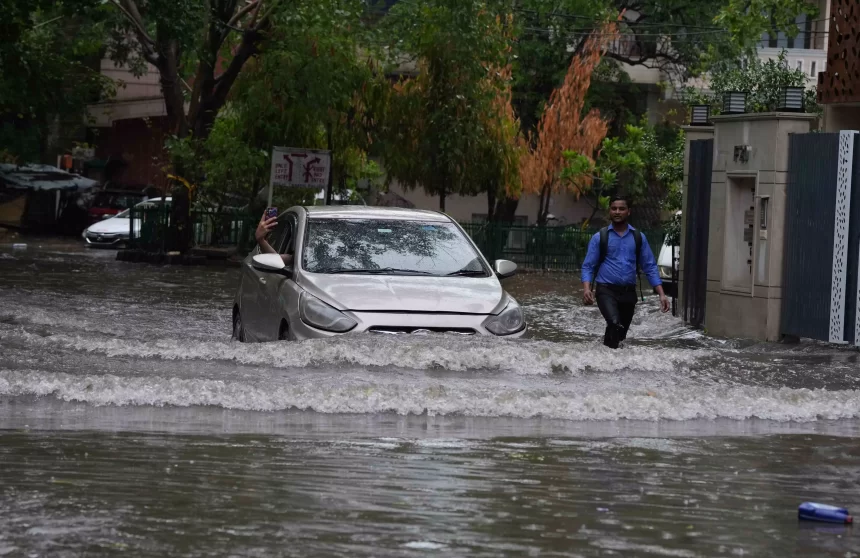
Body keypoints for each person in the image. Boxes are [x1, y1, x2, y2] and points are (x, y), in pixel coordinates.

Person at [581, 195, 670, 349]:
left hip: (629, 293)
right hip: (606, 290)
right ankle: (608, 359)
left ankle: (604, 357)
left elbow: (649, 266)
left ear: (629, 212)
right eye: (614, 208)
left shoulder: (638, 237)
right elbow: (588, 266)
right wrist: (587, 289)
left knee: (620, 334)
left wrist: (661, 294)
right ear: (610, 211)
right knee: (614, 323)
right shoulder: (600, 237)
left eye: (621, 209)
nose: (617, 212)